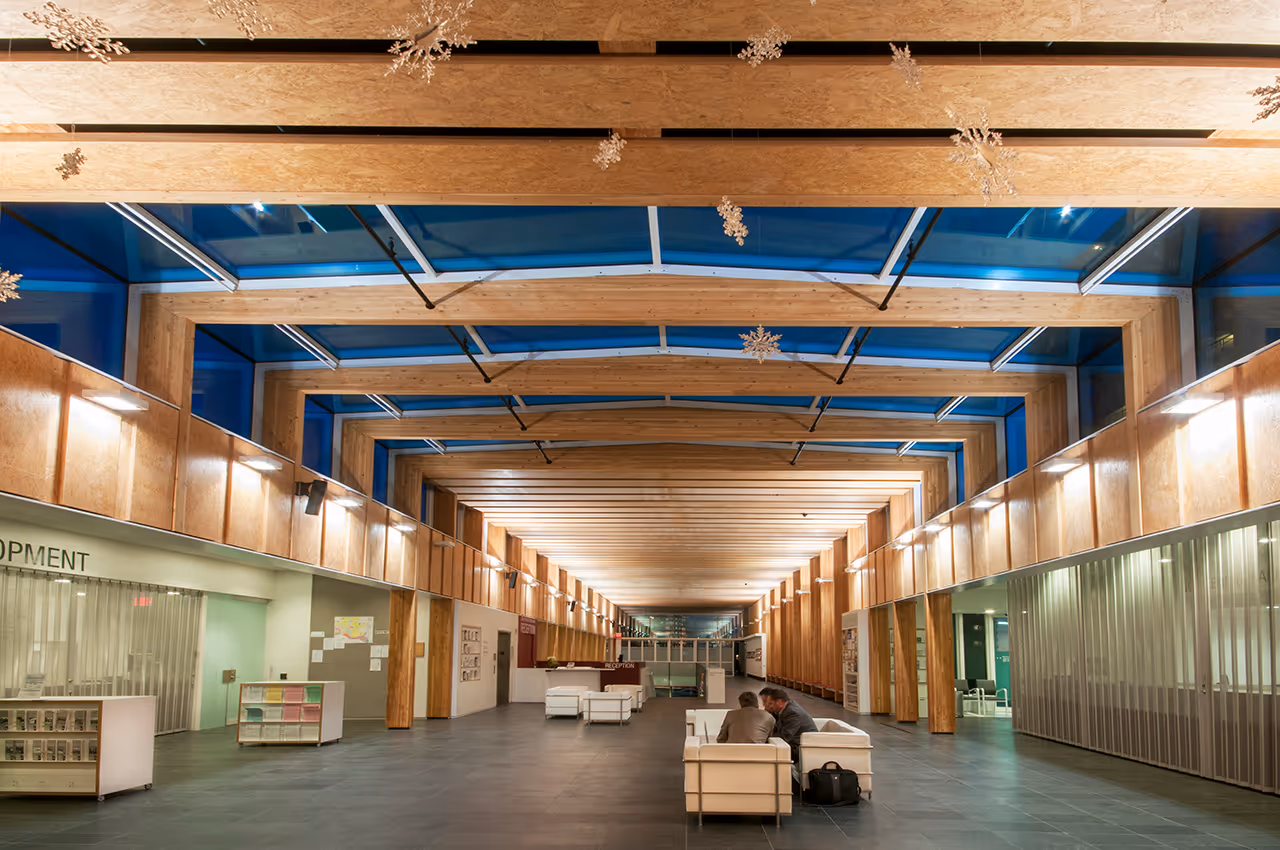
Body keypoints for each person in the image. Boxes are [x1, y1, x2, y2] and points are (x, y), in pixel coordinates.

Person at [760, 687, 817, 762]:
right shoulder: (787, 708)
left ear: (779, 702)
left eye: (771, 703)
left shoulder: (792, 712)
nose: (769, 706)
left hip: (802, 747)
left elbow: (785, 737)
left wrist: (766, 745)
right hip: (796, 743)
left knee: (766, 753)